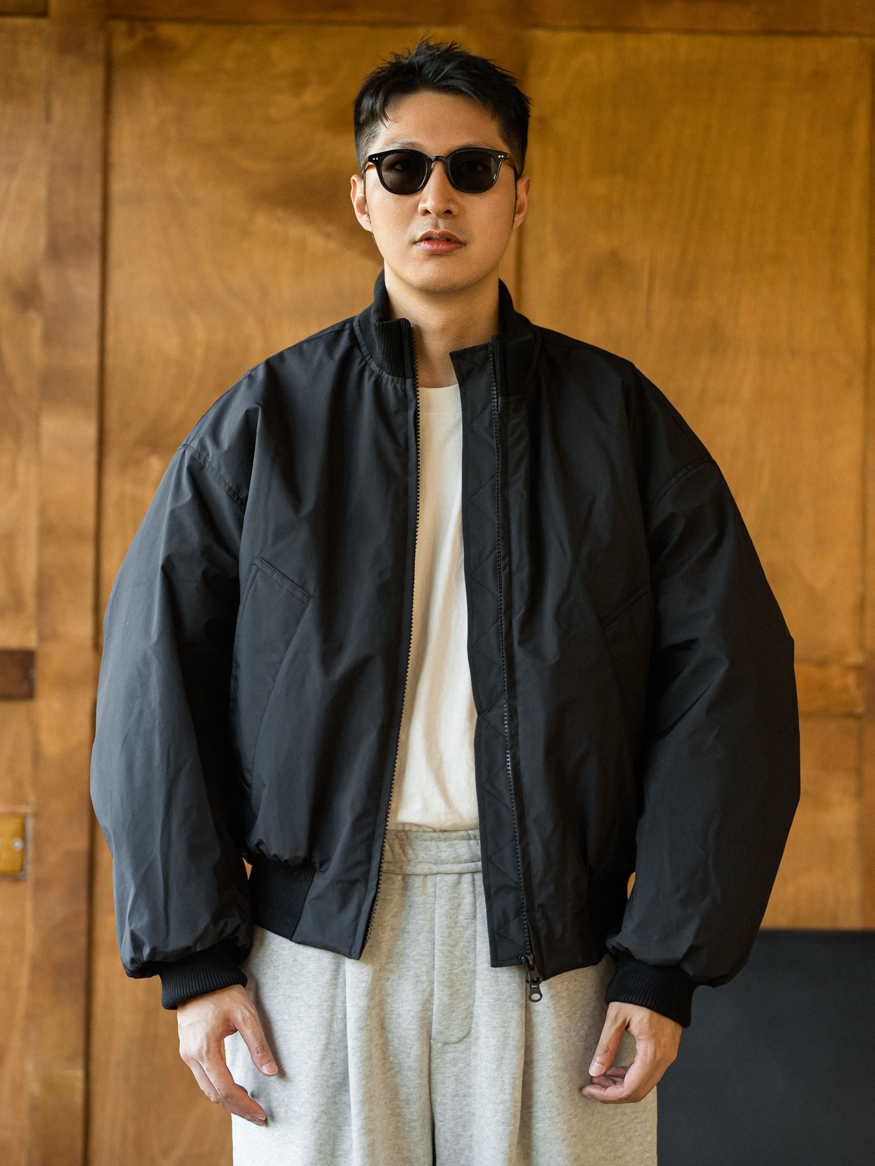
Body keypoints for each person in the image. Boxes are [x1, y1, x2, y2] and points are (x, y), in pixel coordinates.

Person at [90, 38, 800, 1166]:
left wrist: (662, 962)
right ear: (360, 196)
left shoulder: (617, 422)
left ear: (518, 196)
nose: (436, 198)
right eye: (403, 168)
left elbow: (729, 688)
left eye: (472, 169)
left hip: (559, 948)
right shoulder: (267, 422)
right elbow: (152, 681)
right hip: (315, 942)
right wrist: (196, 959)